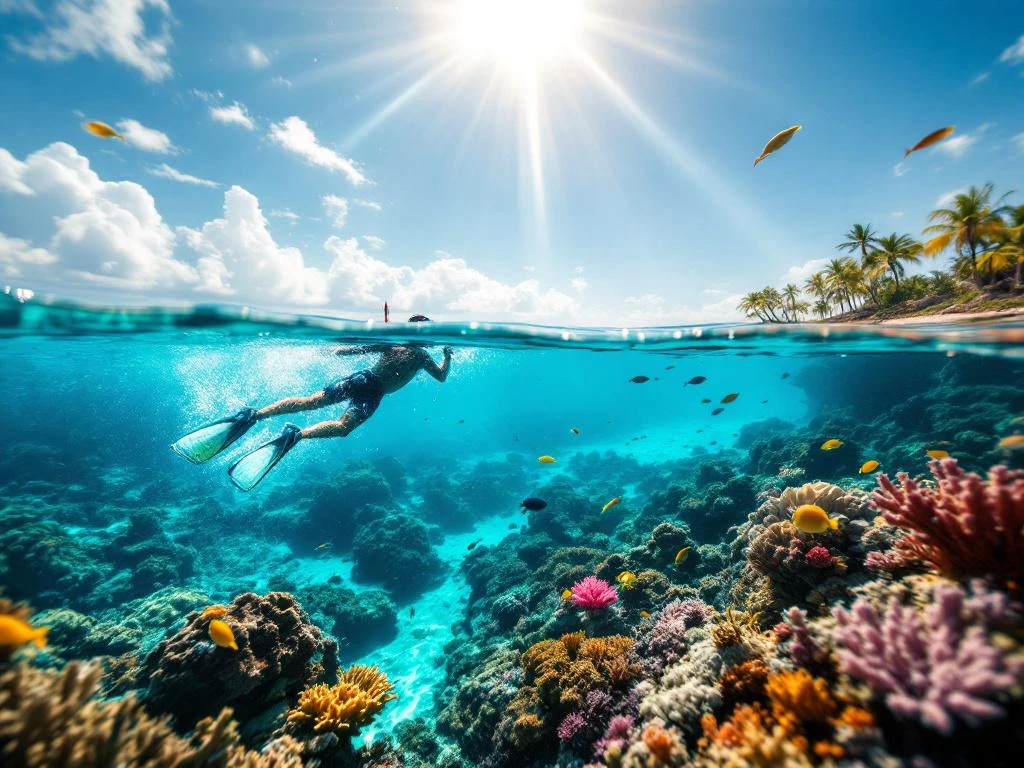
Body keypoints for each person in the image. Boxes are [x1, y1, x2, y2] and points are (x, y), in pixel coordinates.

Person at [171, 315, 453, 490]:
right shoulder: (395, 344)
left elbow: (440, 378)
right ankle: (255, 415)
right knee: (312, 402)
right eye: (419, 329)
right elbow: (357, 348)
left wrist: (448, 356)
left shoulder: (423, 356)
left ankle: (296, 435)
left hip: (374, 394)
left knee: (344, 428)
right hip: (363, 379)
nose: (422, 336)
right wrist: (340, 348)